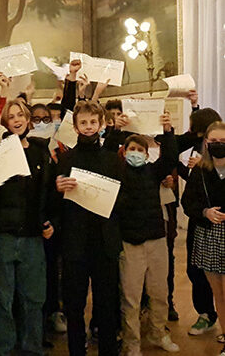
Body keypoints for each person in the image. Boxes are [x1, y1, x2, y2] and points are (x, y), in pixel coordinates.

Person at [0, 100, 55, 356]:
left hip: (32, 237)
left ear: (28, 119)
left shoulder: (40, 152)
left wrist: (48, 222)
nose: (16, 119)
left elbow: (46, 193)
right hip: (2, 235)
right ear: (5, 123)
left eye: (20, 115)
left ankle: (32, 349)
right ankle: (2, 350)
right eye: (11, 116)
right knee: (2, 300)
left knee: (33, 299)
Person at [54, 101, 124, 356]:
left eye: (93, 122)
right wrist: (58, 189)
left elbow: (122, 199)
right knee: (74, 304)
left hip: (105, 241)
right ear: (75, 126)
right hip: (75, 242)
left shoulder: (113, 160)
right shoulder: (65, 159)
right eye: (83, 122)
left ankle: (108, 350)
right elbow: (56, 203)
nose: (88, 127)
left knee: (107, 303)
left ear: (102, 124)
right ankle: (76, 350)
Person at [116, 123, 181, 354]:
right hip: (130, 242)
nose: (136, 153)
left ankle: (158, 333)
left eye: (140, 150)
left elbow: (170, 157)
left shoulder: (153, 171)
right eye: (132, 148)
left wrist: (168, 131)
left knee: (159, 292)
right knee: (131, 297)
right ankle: (131, 342)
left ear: (146, 153)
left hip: (156, 240)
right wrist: (116, 128)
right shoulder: (118, 172)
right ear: (125, 151)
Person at [183, 121, 225, 356]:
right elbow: (188, 202)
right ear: (206, 144)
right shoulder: (199, 170)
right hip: (209, 235)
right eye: (214, 142)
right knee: (218, 292)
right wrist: (205, 212)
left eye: (223, 142)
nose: (218, 146)